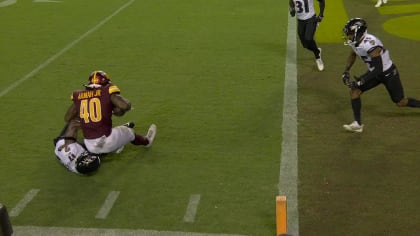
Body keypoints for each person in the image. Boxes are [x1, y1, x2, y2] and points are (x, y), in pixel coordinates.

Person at [341, 18, 420, 133]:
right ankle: (357, 124)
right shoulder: (356, 42)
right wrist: (346, 70)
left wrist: (361, 81)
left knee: (400, 102)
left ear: (359, 32)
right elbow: (353, 54)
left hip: (387, 73)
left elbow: (379, 69)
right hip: (375, 72)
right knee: (355, 91)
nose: (348, 37)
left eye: (350, 34)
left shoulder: (370, 43)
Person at [64, 70, 156, 154]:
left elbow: (67, 118)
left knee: (73, 123)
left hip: (90, 145)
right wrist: (115, 108)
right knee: (129, 132)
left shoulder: (79, 95)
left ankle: (69, 151)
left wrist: (87, 117)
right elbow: (125, 105)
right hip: (108, 141)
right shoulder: (106, 91)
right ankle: (147, 141)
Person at [289, 0, 325, 71]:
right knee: (305, 45)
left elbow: (321, 1)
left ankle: (318, 58)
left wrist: (321, 15)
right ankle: (317, 51)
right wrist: (292, 9)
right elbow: (291, 2)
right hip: (300, 21)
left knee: (308, 39)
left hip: (311, 19)